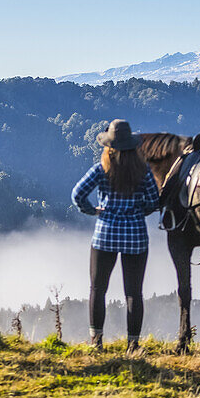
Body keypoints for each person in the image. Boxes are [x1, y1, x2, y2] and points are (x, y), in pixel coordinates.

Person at [71, 119, 160, 354]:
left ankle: (96, 342)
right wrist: (139, 211)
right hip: (135, 236)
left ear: (109, 146)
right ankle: (132, 345)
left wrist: (94, 210)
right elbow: (154, 200)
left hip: (105, 234)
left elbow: (78, 194)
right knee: (133, 292)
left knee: (97, 289)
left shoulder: (101, 169)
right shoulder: (144, 171)